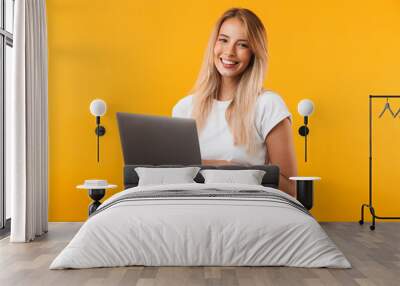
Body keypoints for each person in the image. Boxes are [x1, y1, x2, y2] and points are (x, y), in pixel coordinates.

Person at [172, 8, 297, 197]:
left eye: (242, 45)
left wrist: (231, 170)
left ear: (254, 53)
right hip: (192, 207)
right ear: (214, 44)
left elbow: (290, 188)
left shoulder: (268, 105)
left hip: (247, 208)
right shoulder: (183, 108)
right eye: (223, 40)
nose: (229, 52)